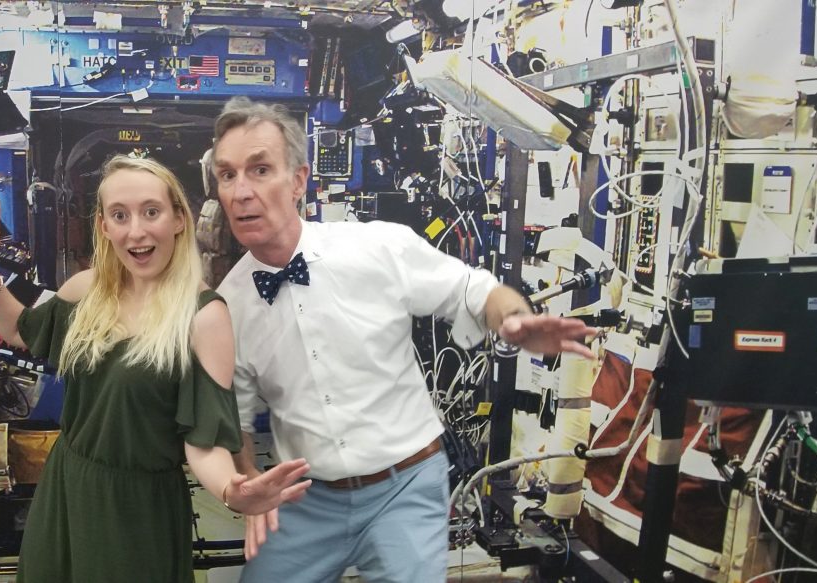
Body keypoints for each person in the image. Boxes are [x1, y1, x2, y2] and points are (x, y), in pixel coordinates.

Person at [210, 97, 596, 583]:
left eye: (260, 169)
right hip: (307, 500)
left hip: (405, 485)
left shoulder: (376, 247)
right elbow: (237, 420)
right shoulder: (227, 306)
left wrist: (513, 318)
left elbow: (473, 291)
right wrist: (250, 493)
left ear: (298, 182)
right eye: (228, 175)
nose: (241, 191)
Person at [0, 155, 312, 582]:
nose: (137, 230)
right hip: (67, 488)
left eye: (151, 212)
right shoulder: (86, 291)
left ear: (179, 219)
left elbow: (203, 440)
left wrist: (231, 490)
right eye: (120, 215)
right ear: (104, 226)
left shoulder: (203, 316)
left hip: (138, 509)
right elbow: (19, 329)